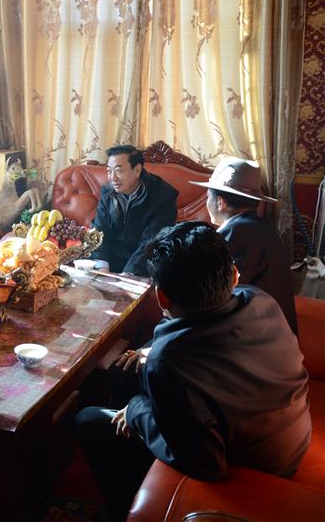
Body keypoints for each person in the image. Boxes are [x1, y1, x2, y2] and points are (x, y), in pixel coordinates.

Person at [74, 222, 310, 522]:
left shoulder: (168, 360)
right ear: (234, 276)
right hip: (285, 438)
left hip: (249, 465)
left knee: (88, 419)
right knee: (122, 373)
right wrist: (148, 358)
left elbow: (205, 465)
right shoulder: (259, 299)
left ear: (162, 297)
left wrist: (136, 410)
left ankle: (124, 509)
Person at [190, 157, 297, 333]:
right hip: (277, 337)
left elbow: (213, 301)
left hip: (255, 341)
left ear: (220, 202)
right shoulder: (261, 229)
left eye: (207, 197)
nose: (206, 202)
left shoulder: (234, 236)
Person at [90, 144, 178, 276]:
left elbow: (151, 242)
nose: (112, 178)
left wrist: (128, 274)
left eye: (119, 171)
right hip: (110, 262)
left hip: (145, 266)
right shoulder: (107, 192)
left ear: (137, 170)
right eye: (109, 171)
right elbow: (99, 231)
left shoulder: (163, 196)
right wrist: (103, 268)